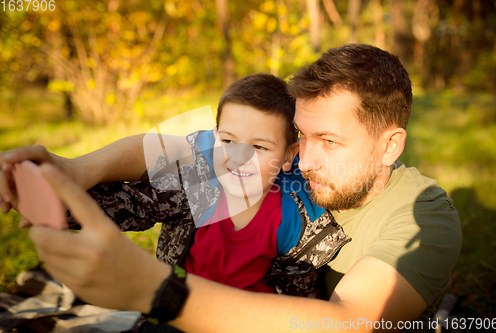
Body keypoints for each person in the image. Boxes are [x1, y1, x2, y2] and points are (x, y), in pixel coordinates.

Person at [0, 44, 461, 332]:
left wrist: (159, 291)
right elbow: (166, 149)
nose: (304, 157)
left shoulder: (424, 217)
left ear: (390, 145)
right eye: (300, 135)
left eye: (331, 141)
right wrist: (75, 169)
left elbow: (346, 324)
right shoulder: (280, 162)